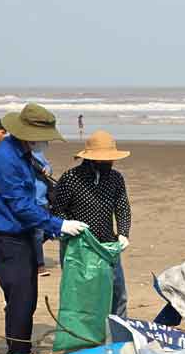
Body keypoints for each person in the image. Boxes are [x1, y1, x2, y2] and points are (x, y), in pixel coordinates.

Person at [0, 103, 87, 354]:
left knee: (25, 300)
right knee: (20, 301)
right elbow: (21, 206)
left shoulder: (22, 154)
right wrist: (58, 225)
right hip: (7, 240)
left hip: (23, 237)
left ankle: (20, 348)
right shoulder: (5, 159)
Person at [50, 130, 133, 317]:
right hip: (77, 246)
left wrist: (123, 233)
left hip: (107, 244)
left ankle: (118, 334)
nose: (110, 163)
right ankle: (85, 336)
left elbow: (122, 207)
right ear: (93, 159)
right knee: (82, 294)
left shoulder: (115, 178)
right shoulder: (71, 178)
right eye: (106, 160)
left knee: (117, 293)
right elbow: (57, 210)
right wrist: (69, 225)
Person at [31, 142, 54, 276]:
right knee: (38, 233)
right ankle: (40, 266)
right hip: (32, 201)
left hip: (44, 199)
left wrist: (47, 169)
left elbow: (48, 166)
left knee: (48, 232)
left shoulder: (38, 153)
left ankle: (31, 250)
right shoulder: (19, 156)